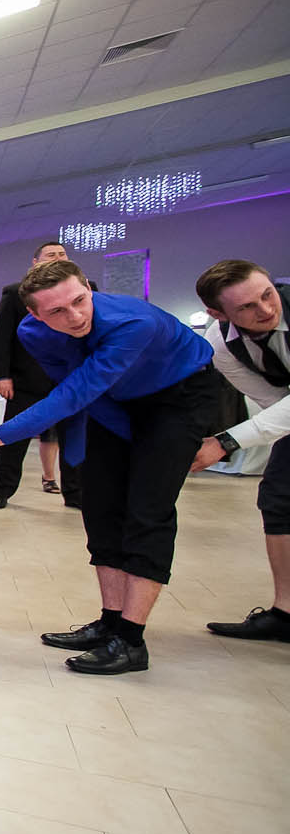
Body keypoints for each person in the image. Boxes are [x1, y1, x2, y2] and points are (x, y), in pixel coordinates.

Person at [0, 260, 217, 675]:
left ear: (89, 289)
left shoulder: (132, 323)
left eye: (79, 301)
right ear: (35, 314)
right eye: (57, 311)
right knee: (102, 505)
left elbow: (73, 394)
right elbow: (75, 387)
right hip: (113, 399)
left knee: (147, 510)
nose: (74, 317)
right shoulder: (32, 332)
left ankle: (131, 640)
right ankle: (110, 622)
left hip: (177, 396)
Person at [190, 261, 290, 641]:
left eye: (268, 294)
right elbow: (274, 401)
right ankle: (286, 614)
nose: (266, 309)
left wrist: (225, 442)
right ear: (219, 314)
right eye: (247, 307)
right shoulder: (221, 345)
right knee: (279, 499)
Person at [0, 241, 80, 509]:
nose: (57, 258)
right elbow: (2, 336)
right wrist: (2, 375)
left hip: (70, 380)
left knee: (73, 438)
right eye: (51, 255)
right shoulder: (16, 293)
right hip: (26, 380)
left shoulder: (85, 289)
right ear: (36, 262)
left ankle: (75, 493)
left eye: (62, 254)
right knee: (13, 436)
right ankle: (1, 490)